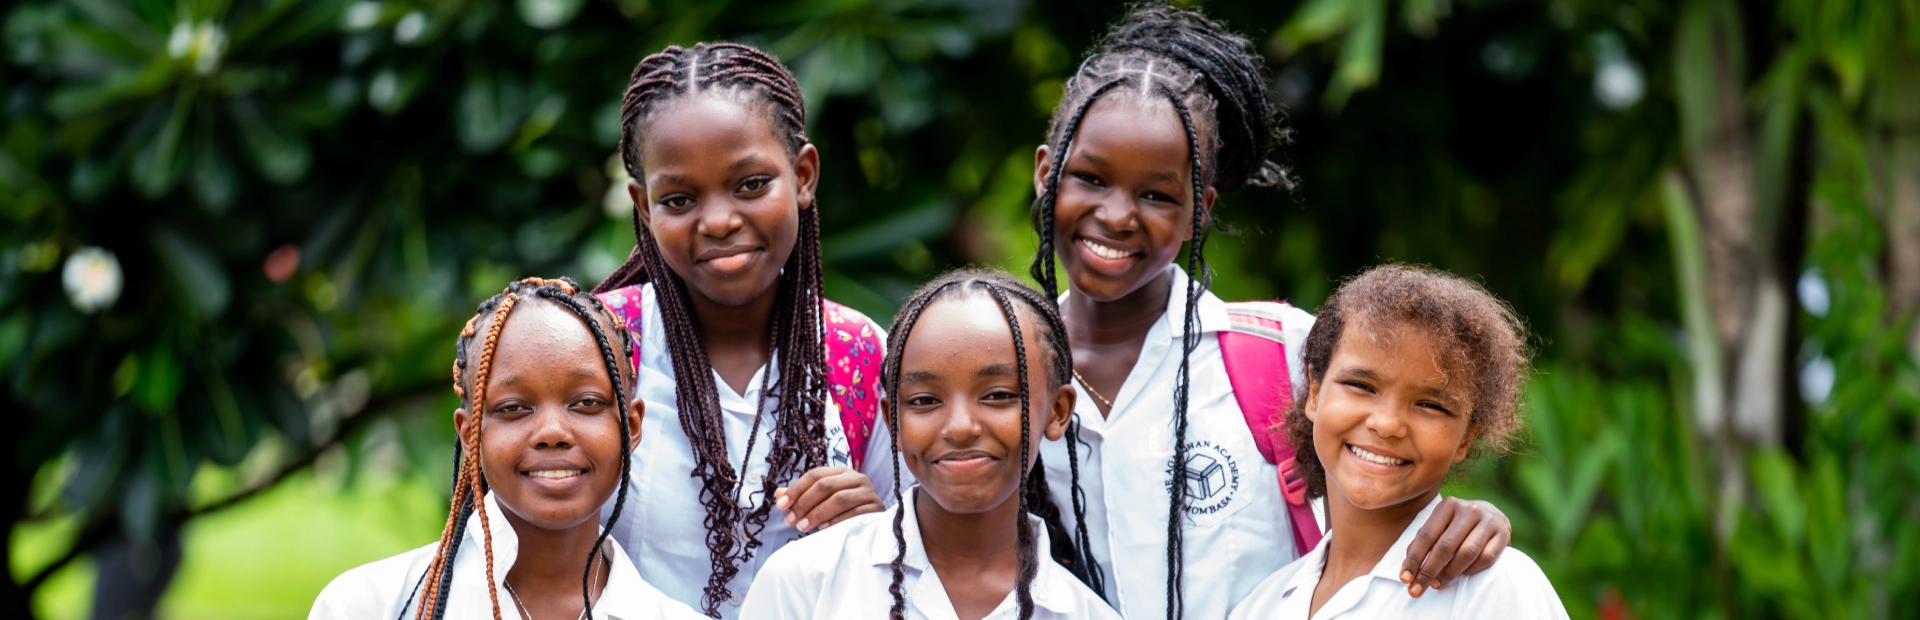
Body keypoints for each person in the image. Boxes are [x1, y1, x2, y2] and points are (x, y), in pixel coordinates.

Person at [1028, 4, 1515, 618]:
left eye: (1156, 195)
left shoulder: (1280, 353)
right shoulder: (1001, 373)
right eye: (1090, 179)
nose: (1119, 215)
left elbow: (1388, 469)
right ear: (1046, 174)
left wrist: (1473, 517)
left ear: (1199, 209)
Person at [592, 41, 901, 618]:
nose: (719, 221)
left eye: (751, 184)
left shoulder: (858, 355)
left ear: (804, 175)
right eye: (680, 199)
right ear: (643, 206)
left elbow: (916, 562)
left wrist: (873, 528)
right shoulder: (598, 345)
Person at [309, 277, 703, 620]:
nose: (552, 432)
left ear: (631, 427)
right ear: (470, 434)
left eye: (586, 403)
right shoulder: (367, 607)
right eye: (513, 408)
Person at [741, 269, 1114, 620]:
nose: (960, 427)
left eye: (998, 395)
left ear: (1057, 412)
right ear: (894, 422)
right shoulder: (805, 584)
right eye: (924, 401)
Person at [1228, 264, 1566, 619]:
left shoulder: (1492, 588)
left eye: (1430, 405)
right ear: (1315, 392)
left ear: (1467, 437)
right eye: (1361, 386)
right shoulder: (1261, 606)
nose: (1387, 424)